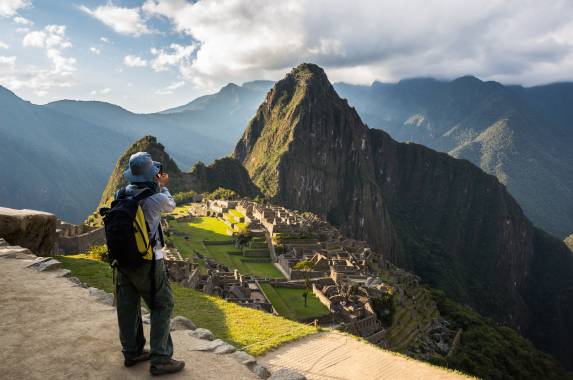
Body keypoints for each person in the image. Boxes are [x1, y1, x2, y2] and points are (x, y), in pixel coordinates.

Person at [115, 151, 185, 376]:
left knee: (127, 307)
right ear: (152, 175)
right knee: (162, 305)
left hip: (123, 261)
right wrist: (163, 185)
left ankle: (132, 351)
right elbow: (171, 205)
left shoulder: (121, 194)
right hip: (148, 262)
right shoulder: (158, 198)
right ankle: (161, 359)